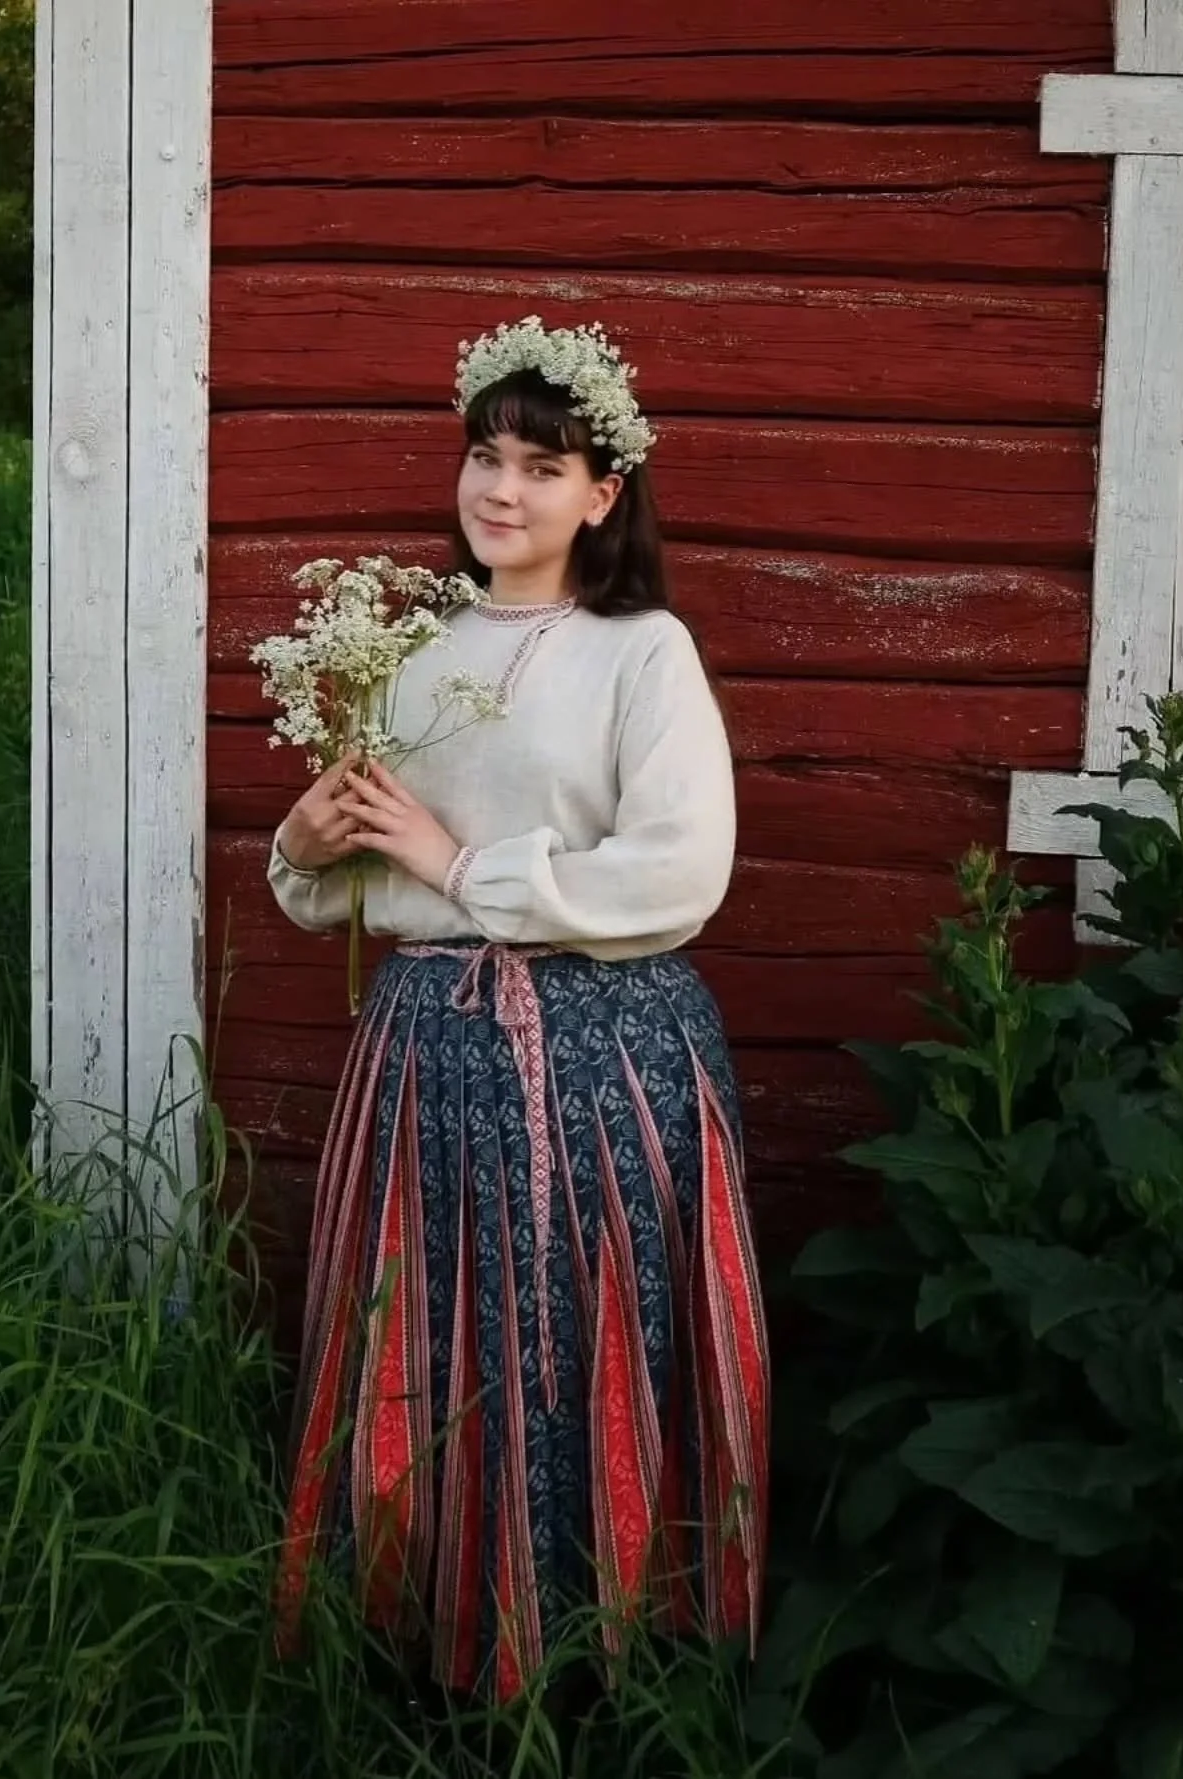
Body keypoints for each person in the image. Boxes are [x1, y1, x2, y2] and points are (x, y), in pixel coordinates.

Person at [268, 316, 769, 1702]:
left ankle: (608, 1649)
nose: (503, 489)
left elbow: (681, 868)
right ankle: (422, 1638)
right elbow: (356, 872)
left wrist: (462, 869)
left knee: (582, 1335)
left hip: (608, 1055)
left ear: (604, 494)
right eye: (486, 457)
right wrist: (305, 848)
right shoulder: (404, 650)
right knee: (428, 1337)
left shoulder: (643, 652)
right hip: (425, 1055)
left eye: (543, 468)